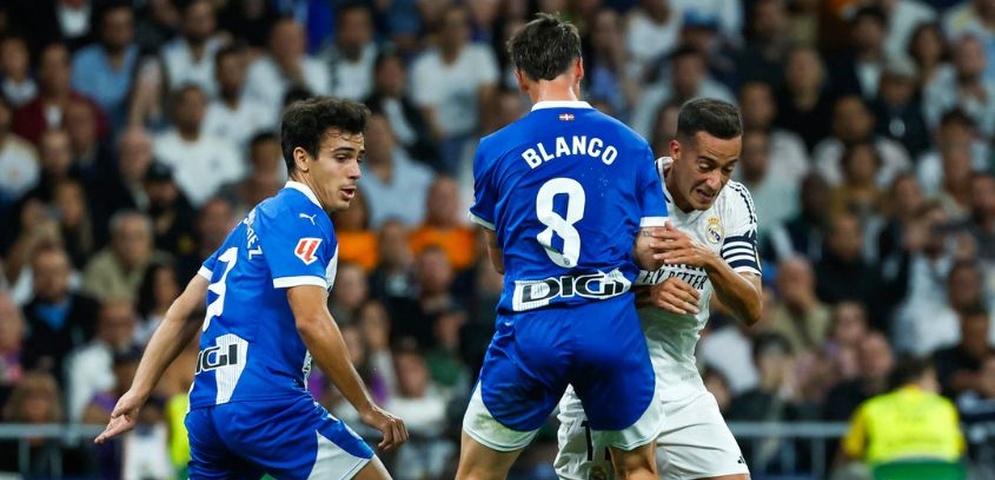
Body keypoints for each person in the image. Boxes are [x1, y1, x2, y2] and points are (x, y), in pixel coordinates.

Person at [94, 97, 408, 479]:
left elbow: (184, 310)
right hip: (265, 405)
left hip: (208, 410)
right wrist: (366, 406)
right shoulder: (303, 217)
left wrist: (138, 392)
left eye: (358, 157)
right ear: (303, 159)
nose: (356, 171)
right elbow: (311, 320)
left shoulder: (249, 224)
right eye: (342, 157)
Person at [458, 13, 671, 480]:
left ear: (520, 77)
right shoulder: (632, 144)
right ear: (580, 67)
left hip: (532, 325)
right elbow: (652, 249)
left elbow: (498, 256)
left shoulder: (494, 149)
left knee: (476, 474)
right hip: (609, 322)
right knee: (638, 469)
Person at [555, 98, 763, 480]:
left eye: (727, 169)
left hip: (679, 381)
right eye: (705, 166)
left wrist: (709, 260)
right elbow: (570, 301)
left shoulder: (734, 202)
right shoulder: (621, 195)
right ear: (676, 151)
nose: (715, 181)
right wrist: (646, 296)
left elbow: (751, 309)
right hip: (605, 373)